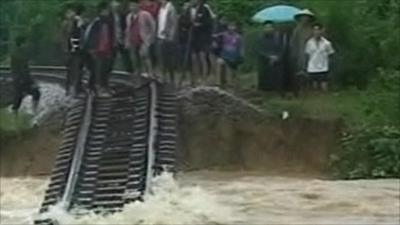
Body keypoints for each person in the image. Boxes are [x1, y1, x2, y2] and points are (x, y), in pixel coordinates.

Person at [83, 1, 115, 97]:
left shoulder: (110, 22)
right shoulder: (96, 23)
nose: (106, 12)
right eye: (104, 10)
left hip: (108, 49)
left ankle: (104, 86)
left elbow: (112, 36)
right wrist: (91, 48)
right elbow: (90, 36)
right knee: (98, 69)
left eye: (107, 10)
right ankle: (98, 88)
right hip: (97, 50)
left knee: (106, 69)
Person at [10, 36, 41, 116]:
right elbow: (24, 70)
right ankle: (34, 112)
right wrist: (32, 82)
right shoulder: (20, 54)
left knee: (18, 98)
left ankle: (14, 116)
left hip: (18, 79)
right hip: (21, 80)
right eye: (26, 42)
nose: (28, 44)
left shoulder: (17, 52)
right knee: (35, 93)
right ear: (22, 43)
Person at [125, 0, 156, 78]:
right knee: (134, 59)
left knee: (145, 56)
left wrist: (150, 38)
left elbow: (153, 26)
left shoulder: (145, 14)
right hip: (132, 40)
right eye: (131, 6)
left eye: (134, 5)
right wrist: (127, 41)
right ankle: (138, 73)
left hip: (143, 40)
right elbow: (127, 29)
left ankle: (150, 73)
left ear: (138, 5)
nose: (132, 7)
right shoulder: (129, 17)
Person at [62, 3, 86, 96]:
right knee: (72, 69)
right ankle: (71, 89)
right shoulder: (66, 24)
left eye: (71, 12)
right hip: (70, 49)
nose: (70, 14)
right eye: (68, 12)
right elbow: (65, 38)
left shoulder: (79, 22)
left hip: (78, 49)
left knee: (78, 69)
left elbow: (82, 34)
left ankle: (76, 88)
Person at [290, 9, 315, 93]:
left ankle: (310, 87)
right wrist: (293, 53)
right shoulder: (297, 30)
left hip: (311, 53)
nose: (304, 19)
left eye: (306, 17)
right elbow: (293, 42)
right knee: (299, 70)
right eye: (303, 17)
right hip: (299, 52)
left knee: (310, 69)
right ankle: (300, 88)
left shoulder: (311, 30)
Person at [305, 23, 335, 91]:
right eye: (315, 30)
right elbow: (307, 55)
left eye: (318, 30)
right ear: (312, 31)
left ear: (321, 31)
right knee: (314, 87)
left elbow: (331, 54)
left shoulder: (327, 43)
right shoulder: (309, 43)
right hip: (312, 67)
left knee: (324, 86)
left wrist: (330, 66)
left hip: (323, 67)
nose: (316, 32)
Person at [190, 0, 214, 84]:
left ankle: (204, 78)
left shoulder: (205, 9)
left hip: (203, 37)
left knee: (202, 57)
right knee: (194, 59)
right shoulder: (190, 9)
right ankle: (196, 78)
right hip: (193, 38)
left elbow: (209, 23)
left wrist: (200, 25)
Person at [257, 21, 284, 91]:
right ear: (264, 29)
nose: (268, 29)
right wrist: (269, 57)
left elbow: (281, 49)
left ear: (273, 28)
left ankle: (277, 89)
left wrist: (277, 56)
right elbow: (259, 50)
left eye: (270, 27)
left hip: (276, 61)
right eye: (266, 27)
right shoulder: (260, 38)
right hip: (265, 61)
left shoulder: (277, 38)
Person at [215, 21, 243, 87]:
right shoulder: (224, 35)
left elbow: (240, 48)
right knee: (219, 62)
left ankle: (229, 83)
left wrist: (240, 57)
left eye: (233, 26)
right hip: (224, 56)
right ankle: (218, 82)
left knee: (228, 65)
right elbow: (217, 36)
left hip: (233, 56)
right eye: (230, 26)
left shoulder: (238, 37)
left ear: (235, 27)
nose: (231, 28)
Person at [156, 0, 178, 84]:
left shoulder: (171, 9)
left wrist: (171, 37)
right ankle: (163, 77)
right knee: (161, 58)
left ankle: (171, 78)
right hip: (160, 37)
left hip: (168, 38)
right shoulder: (160, 9)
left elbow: (174, 24)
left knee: (169, 60)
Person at [110, 0, 133, 73]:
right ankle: (108, 72)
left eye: (117, 6)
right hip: (112, 39)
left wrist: (125, 38)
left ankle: (130, 71)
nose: (116, 7)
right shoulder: (109, 16)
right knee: (111, 57)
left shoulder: (122, 15)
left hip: (121, 38)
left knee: (126, 56)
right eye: (114, 6)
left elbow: (125, 27)